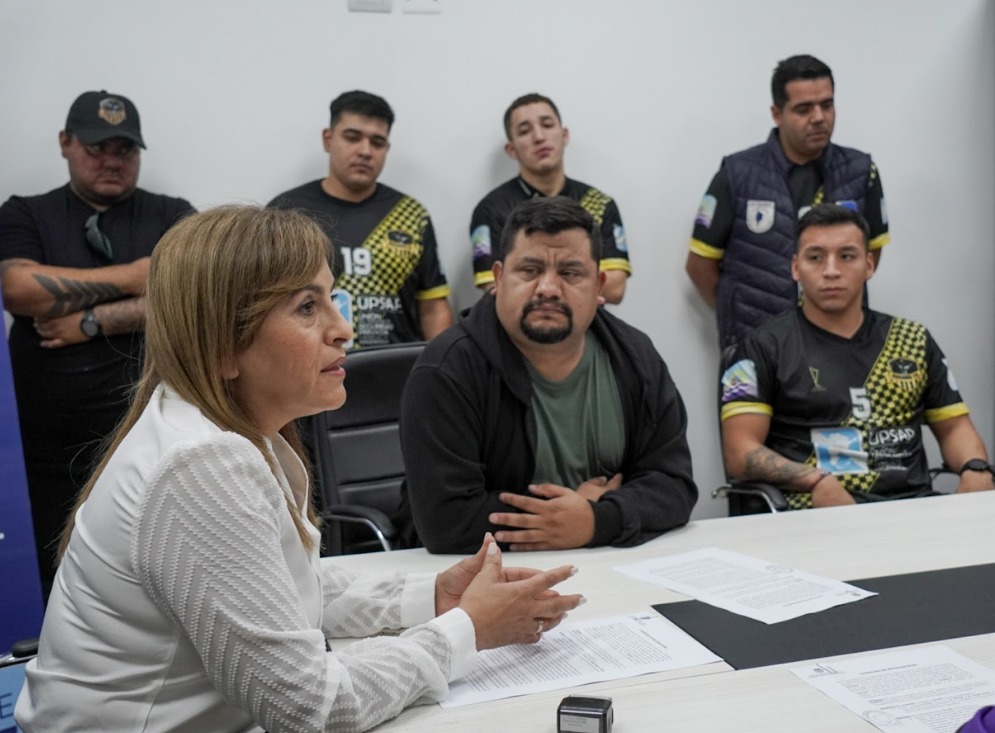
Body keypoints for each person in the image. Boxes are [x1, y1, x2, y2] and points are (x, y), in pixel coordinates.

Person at [14, 206, 583, 733]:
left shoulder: (224, 431)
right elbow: (309, 708)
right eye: (308, 308)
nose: (343, 329)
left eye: (331, 299)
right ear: (223, 346)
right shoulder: (201, 465)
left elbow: (285, 589)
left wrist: (433, 597)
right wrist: (467, 631)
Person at [398, 196, 696, 553]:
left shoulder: (635, 356)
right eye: (530, 270)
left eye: (570, 273)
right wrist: (573, 514)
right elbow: (446, 522)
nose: (548, 289)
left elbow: (675, 485)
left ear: (598, 286)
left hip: (608, 563)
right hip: (483, 573)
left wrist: (596, 519)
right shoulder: (446, 370)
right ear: (498, 278)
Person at [0, 90, 193, 596]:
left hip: (152, 445)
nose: (112, 160)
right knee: (55, 584)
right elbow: (18, 290)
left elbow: (195, 299)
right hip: (46, 456)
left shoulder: (172, 216)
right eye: (97, 148)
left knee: (152, 584)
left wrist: (92, 320)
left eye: (124, 150)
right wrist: (135, 276)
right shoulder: (25, 213)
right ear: (65, 143)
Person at [720, 204, 992, 509]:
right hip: (815, 511)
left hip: (913, 509)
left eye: (847, 256)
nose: (831, 270)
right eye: (815, 257)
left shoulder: (912, 339)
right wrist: (814, 479)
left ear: (869, 264)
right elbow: (740, 452)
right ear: (796, 267)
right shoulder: (762, 347)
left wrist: (976, 469)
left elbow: (955, 428)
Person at [686, 55, 889, 350]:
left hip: (840, 346)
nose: (819, 117)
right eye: (804, 109)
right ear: (777, 113)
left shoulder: (861, 171)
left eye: (827, 105)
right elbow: (699, 265)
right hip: (756, 346)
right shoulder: (737, 173)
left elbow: (871, 253)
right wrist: (739, 314)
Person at [269, 90, 453, 348]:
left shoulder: (411, 214)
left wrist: (441, 363)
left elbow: (433, 307)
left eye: (377, 142)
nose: (365, 151)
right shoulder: (286, 212)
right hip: (314, 363)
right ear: (328, 140)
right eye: (352, 137)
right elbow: (267, 305)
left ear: (387, 148)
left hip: (396, 364)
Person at [470, 93, 632, 304]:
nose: (539, 137)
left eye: (547, 125)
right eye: (524, 131)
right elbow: (494, 288)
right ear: (511, 149)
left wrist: (529, 278)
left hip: (588, 322)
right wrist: (577, 276)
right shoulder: (491, 209)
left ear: (564, 135)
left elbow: (615, 288)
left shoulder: (599, 203)